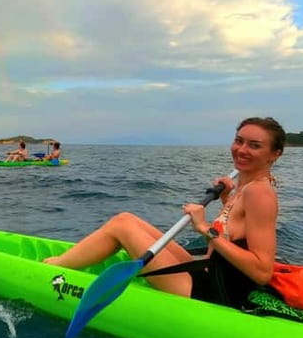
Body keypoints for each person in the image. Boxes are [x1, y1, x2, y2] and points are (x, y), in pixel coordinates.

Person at [44, 117, 285, 309]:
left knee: (122, 228)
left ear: (275, 154)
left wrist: (204, 229)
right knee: (125, 218)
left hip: (214, 292)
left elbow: (262, 271)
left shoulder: (259, 194)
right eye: (239, 141)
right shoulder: (245, 188)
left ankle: (52, 270)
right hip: (208, 272)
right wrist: (225, 200)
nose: (241, 150)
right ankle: (63, 263)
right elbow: (235, 235)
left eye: (254, 145)